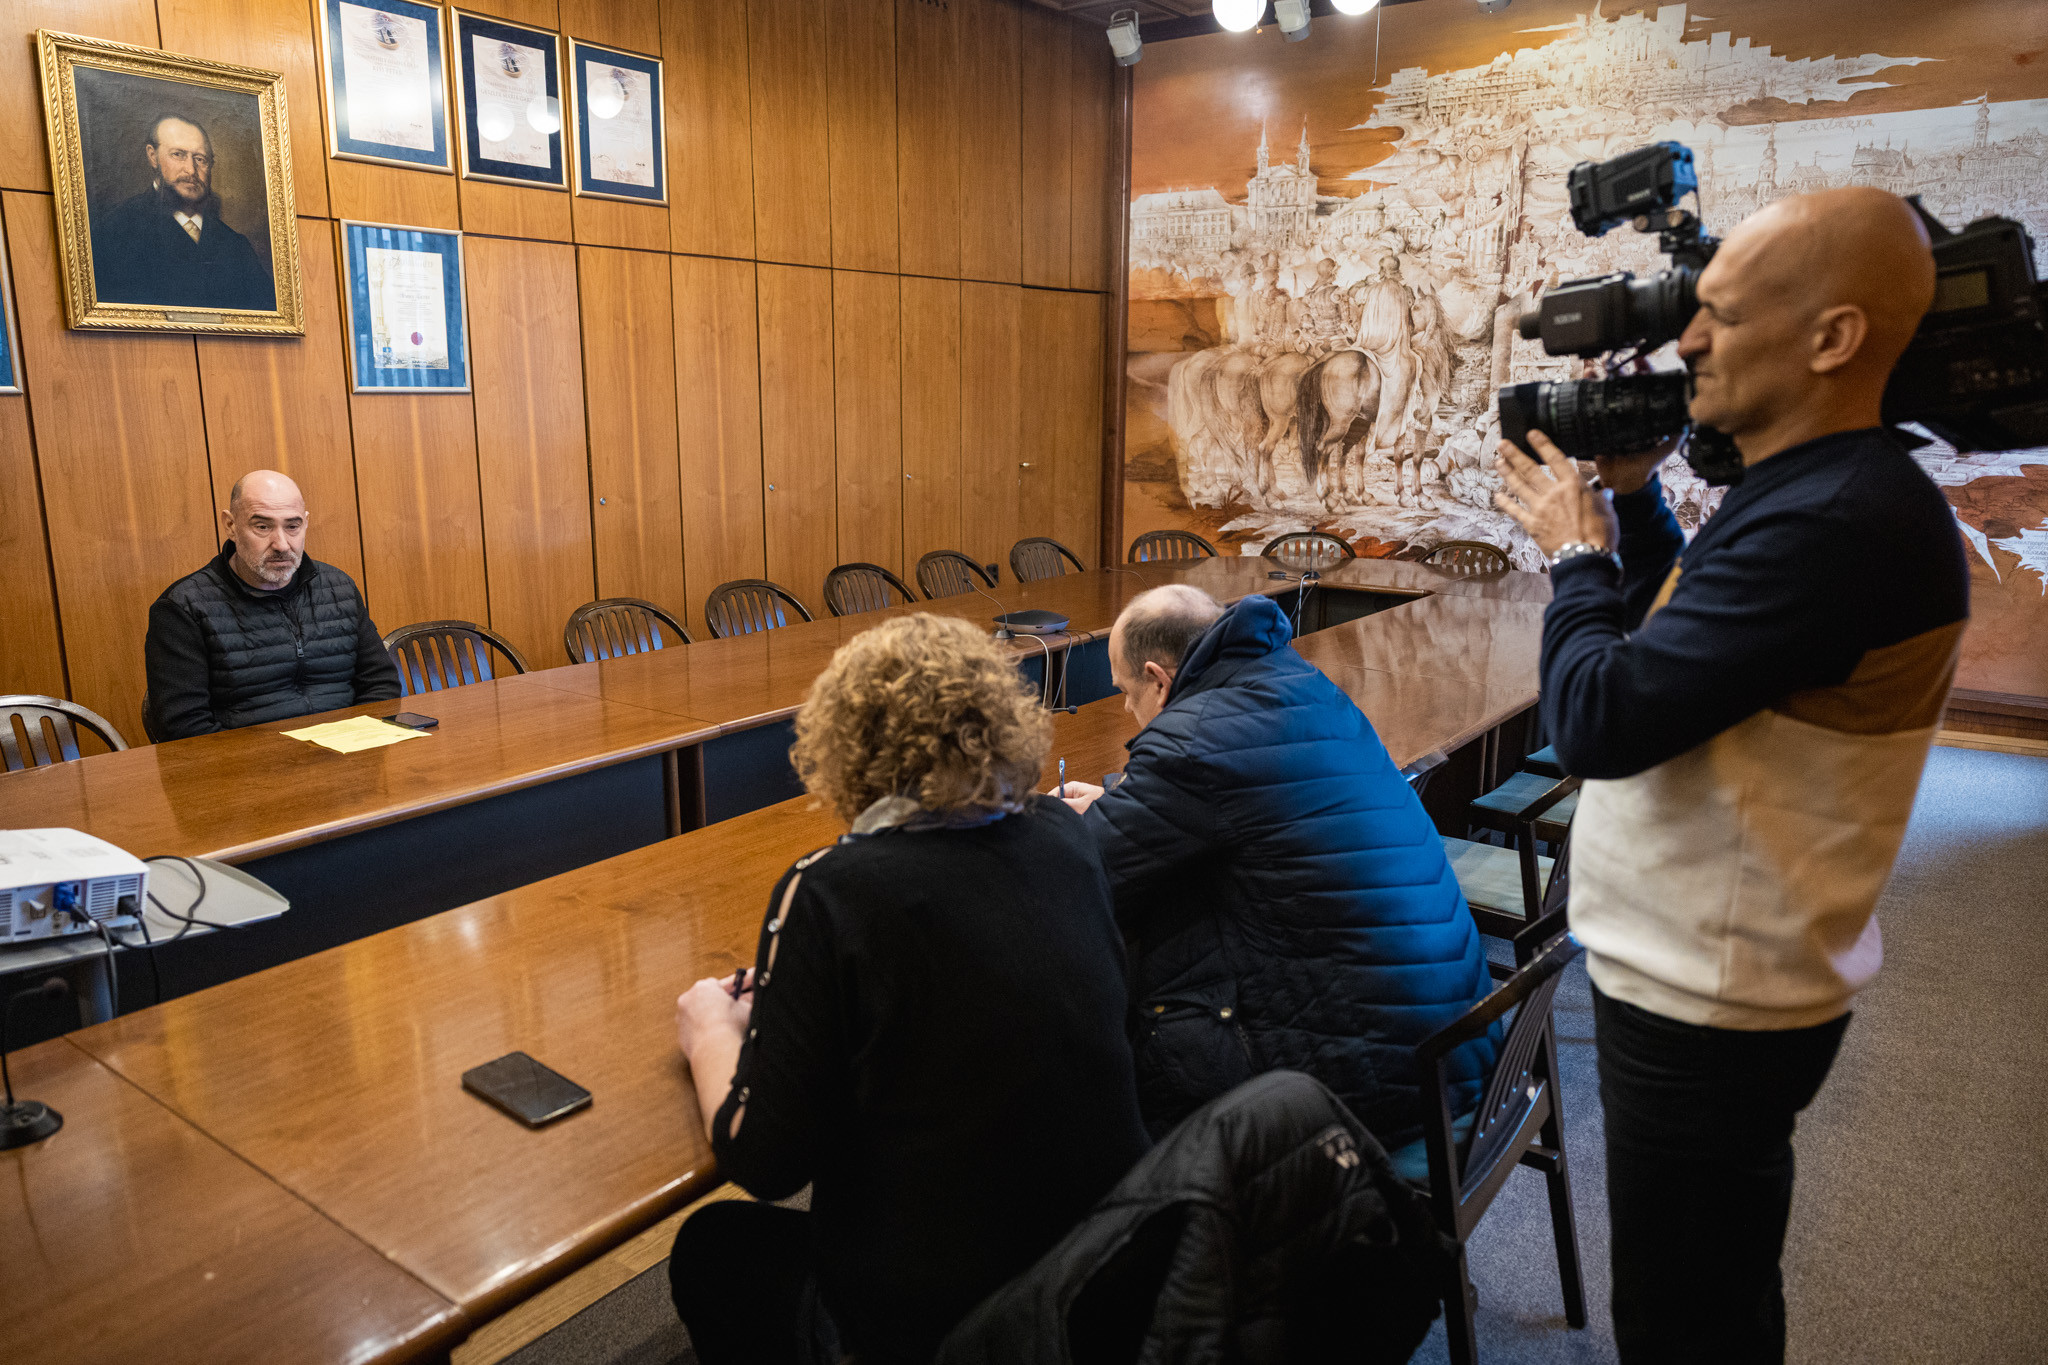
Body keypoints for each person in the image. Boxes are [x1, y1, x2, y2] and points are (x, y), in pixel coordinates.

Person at [1491, 187, 1968, 1364]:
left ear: (1831, 338)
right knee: (1712, 1291)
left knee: (1683, 1321)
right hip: (1712, 972)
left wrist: (1573, 555)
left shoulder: (1836, 520)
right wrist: (1634, 499)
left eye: (1719, 316)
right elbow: (1688, 630)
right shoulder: (1820, 488)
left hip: (1710, 997)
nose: (1689, 342)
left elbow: (1599, 718)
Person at [668, 614, 1150, 1365]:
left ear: (847, 744)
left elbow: (764, 1162)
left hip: (944, 1323)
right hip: (1104, 1272)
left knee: (712, 1245)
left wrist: (709, 1029)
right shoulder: (1064, 834)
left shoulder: (831, 890)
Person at [1052, 585, 1497, 1149]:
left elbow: (1087, 873)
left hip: (1375, 1079)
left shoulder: (1193, 740)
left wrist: (1052, 819)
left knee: (1107, 1043)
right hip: (1449, 1040)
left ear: (1158, 680)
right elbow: (1236, 794)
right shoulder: (1298, 682)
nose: (1125, 709)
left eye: (1125, 691)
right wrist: (1123, 798)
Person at [145, 470, 399, 739]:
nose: (281, 544)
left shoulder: (338, 587)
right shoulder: (183, 608)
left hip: (350, 749)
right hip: (247, 762)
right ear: (230, 525)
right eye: (263, 527)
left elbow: (381, 684)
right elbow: (184, 727)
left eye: (292, 526)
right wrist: (279, 758)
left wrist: (358, 741)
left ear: (306, 523)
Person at [91, 114, 275, 312]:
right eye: (178, 155)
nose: (191, 170)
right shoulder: (115, 230)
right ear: (153, 156)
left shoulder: (236, 246)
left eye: (200, 159)